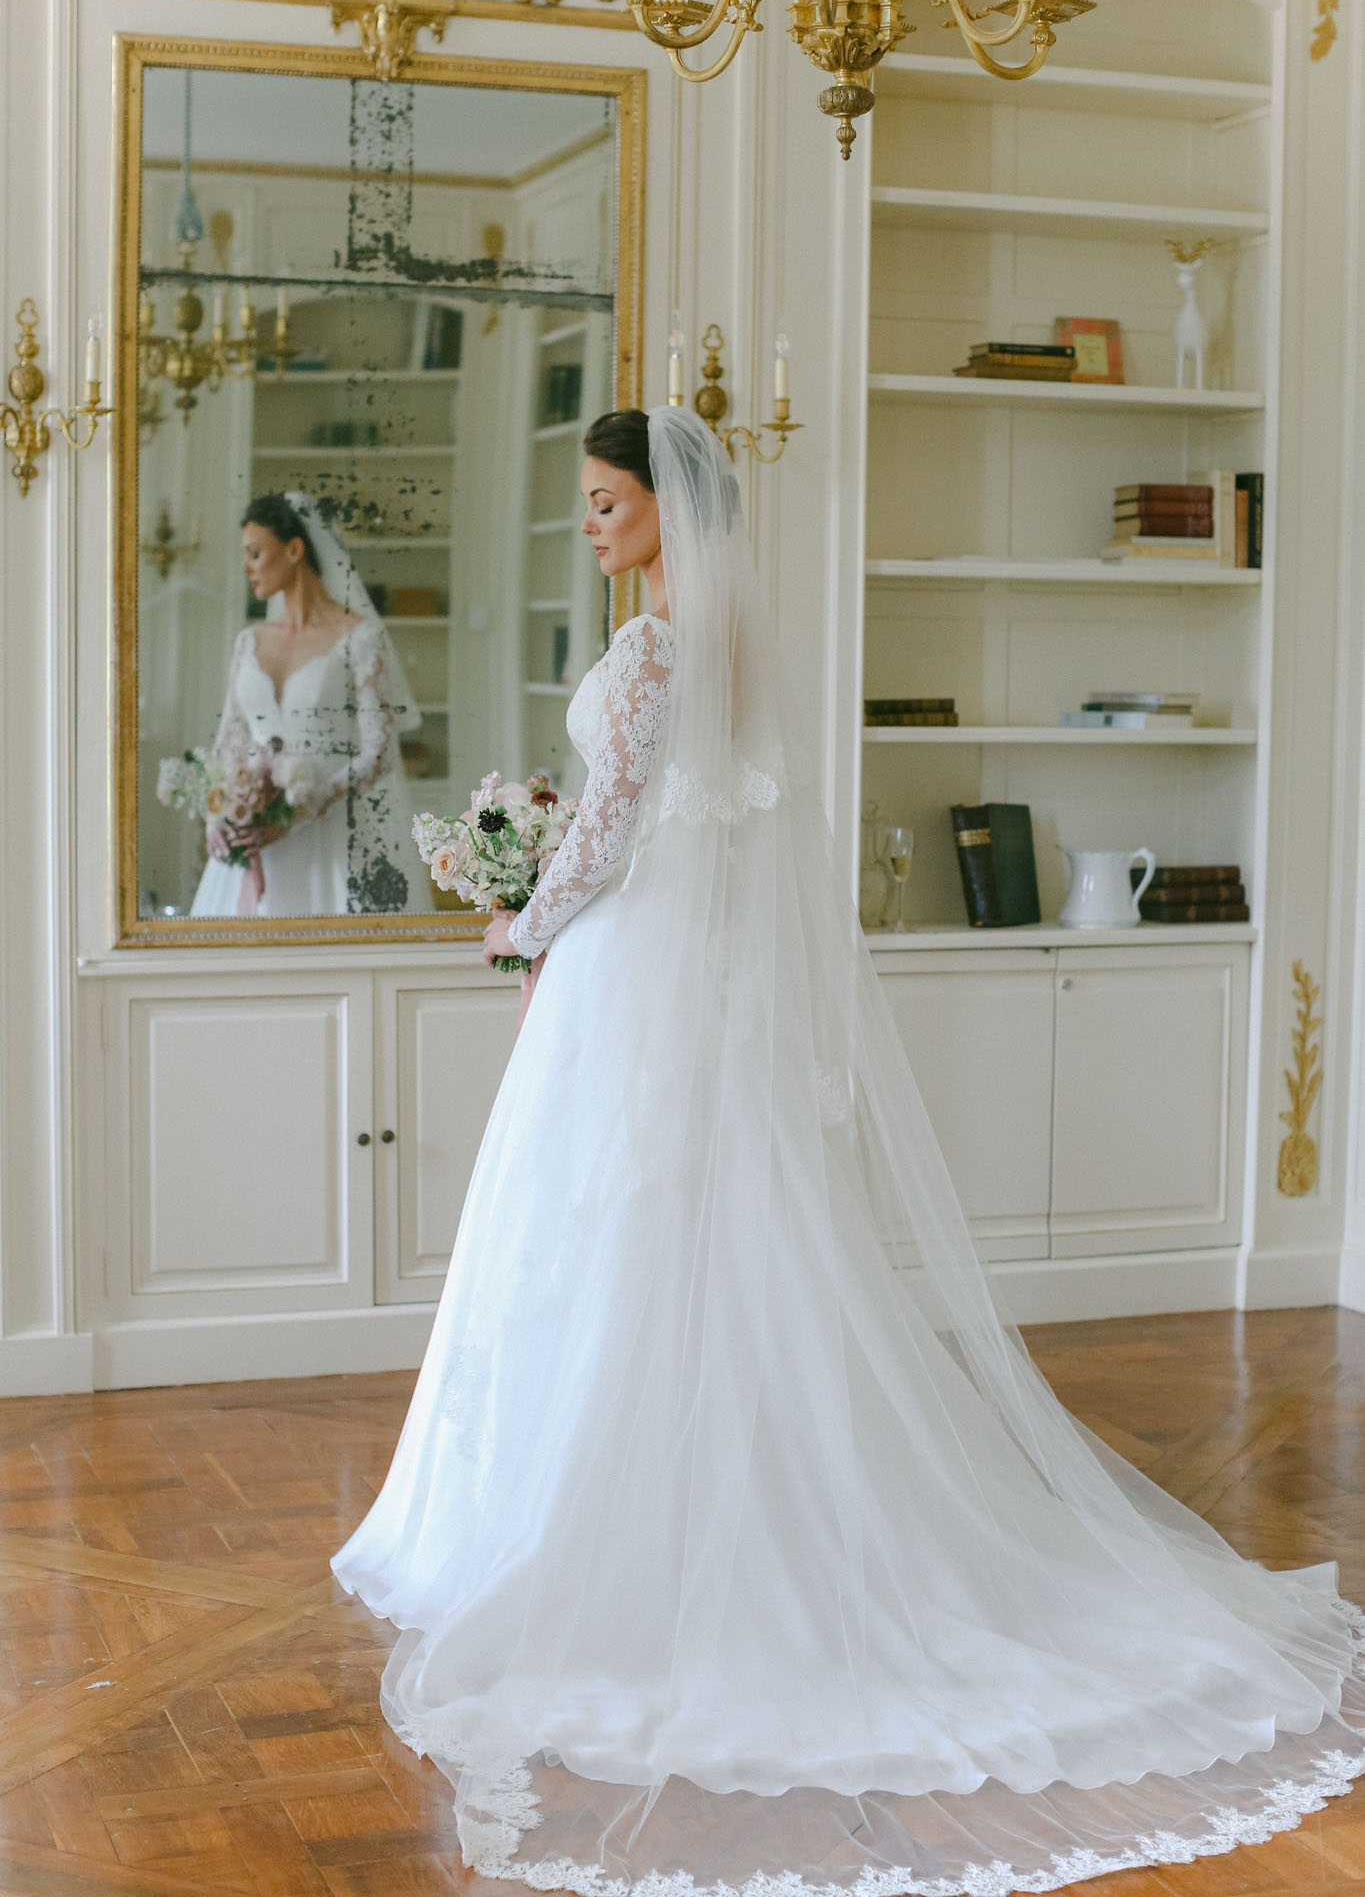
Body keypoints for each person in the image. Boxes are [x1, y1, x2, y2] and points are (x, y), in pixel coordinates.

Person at [332, 408, 1365, 1895]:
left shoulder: (647, 657)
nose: (592, 527)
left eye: (609, 504)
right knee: (702, 1233)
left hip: (632, 979)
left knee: (606, 1227)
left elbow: (611, 833)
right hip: (701, 989)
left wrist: (521, 919)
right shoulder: (744, 652)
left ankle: (575, 1527)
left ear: (667, 515)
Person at [191, 491, 423, 918]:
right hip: (250, 841)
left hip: (330, 837)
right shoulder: (249, 641)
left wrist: (300, 811)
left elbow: (380, 753)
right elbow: (230, 740)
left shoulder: (359, 638)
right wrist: (218, 816)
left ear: (294, 549)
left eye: (255, 553)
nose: (246, 567)